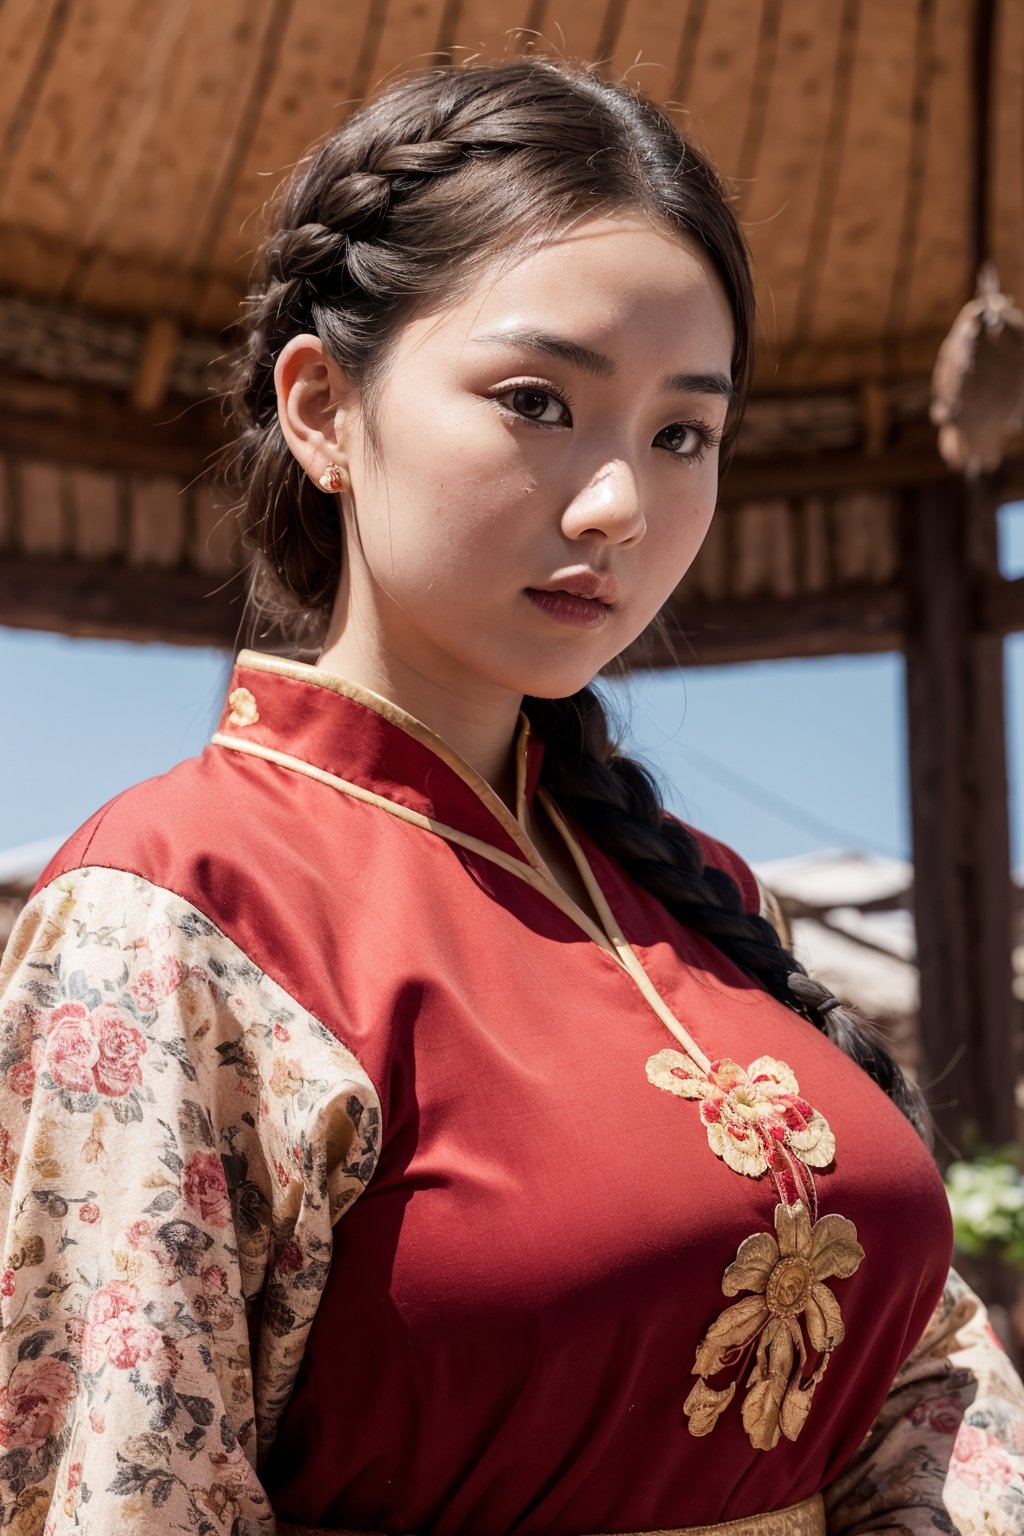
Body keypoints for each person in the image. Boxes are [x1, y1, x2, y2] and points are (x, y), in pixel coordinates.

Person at [1, 55, 1022, 1536]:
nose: (621, 504)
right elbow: (120, 1491)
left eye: (684, 433)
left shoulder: (707, 897)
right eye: (539, 400)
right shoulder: (171, 913)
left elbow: (925, 1381)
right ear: (322, 409)